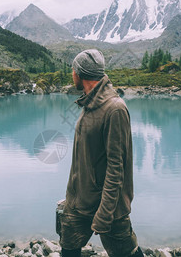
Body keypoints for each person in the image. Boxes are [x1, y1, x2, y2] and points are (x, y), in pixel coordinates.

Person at [59, 49, 143, 257]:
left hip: (109, 207)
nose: (72, 74)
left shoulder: (114, 109)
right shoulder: (88, 103)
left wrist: (105, 214)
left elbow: (117, 168)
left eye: (73, 70)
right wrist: (71, 196)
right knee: (68, 250)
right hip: (78, 203)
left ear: (80, 73)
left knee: (127, 253)